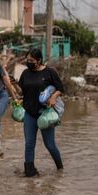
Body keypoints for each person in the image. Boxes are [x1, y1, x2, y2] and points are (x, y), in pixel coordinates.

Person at [16, 48, 64, 177]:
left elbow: (60, 88)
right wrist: (14, 85)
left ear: (39, 60)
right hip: (29, 113)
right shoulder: (25, 73)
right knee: (29, 144)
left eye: (31, 60)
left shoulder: (50, 72)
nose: (28, 62)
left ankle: (60, 168)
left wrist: (53, 97)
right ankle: (29, 173)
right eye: (27, 60)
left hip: (45, 114)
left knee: (50, 144)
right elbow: (22, 92)